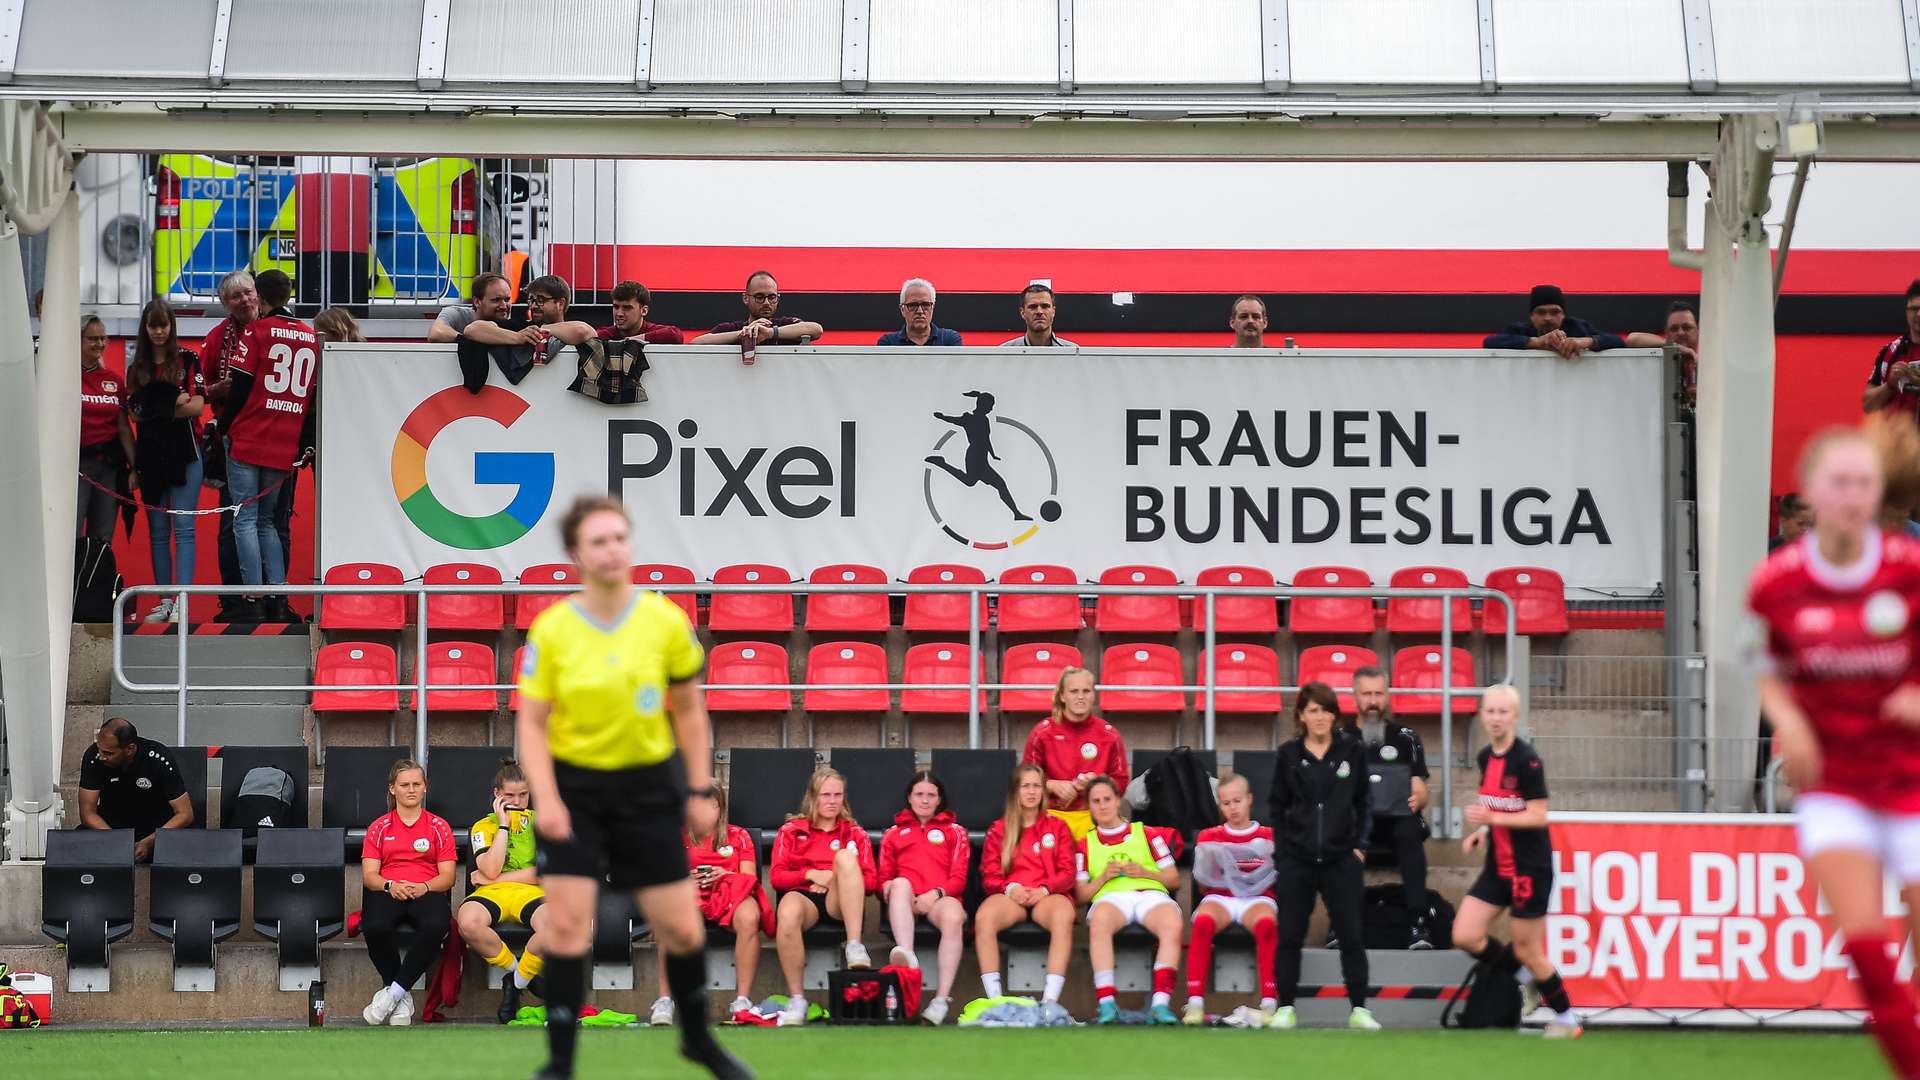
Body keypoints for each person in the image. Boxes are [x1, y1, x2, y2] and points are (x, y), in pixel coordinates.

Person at [515, 495, 750, 1079]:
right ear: (576, 554)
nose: (613, 549)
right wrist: (547, 799)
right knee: (566, 924)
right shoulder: (554, 629)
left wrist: (699, 789)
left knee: (681, 925)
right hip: (576, 790)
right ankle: (561, 1061)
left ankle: (698, 1040)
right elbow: (532, 724)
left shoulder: (665, 620)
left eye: (620, 537)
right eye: (599, 541)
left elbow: (691, 713)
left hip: (647, 788)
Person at [1749, 420, 1920, 1077]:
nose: (1851, 495)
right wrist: (1787, 716)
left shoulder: (1907, 570)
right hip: (1837, 786)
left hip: (1908, 776)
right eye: (1838, 482)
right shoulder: (1776, 583)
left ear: (1878, 494)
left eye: (1863, 483)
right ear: (1811, 494)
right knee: (1869, 951)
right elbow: (1763, 662)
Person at [1449, 684, 1580, 1038]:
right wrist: (1482, 834)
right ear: (1482, 714)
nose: (1495, 718)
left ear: (1515, 716)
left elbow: (1538, 815)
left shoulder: (1527, 760)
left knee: (1527, 948)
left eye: (1502, 712)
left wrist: (1493, 821)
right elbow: (1497, 806)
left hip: (1528, 868)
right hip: (1497, 866)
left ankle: (1567, 1018)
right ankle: (1526, 980)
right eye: (1490, 711)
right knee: (1465, 934)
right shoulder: (1484, 757)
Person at [1268, 682, 1380, 1031]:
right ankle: (1285, 1007)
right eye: (1313, 710)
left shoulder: (1353, 751)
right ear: (1301, 715)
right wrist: (1284, 851)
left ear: (1335, 714)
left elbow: (1365, 803)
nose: (1320, 717)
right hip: (1297, 860)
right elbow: (1276, 806)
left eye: (1326, 710)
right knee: (1289, 935)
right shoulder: (1288, 754)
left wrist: (1359, 844)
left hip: (1341, 859)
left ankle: (1360, 1009)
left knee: (1351, 935)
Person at [221, 270, 316, 624]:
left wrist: (225, 426)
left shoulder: (256, 331)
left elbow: (241, 386)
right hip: (285, 440)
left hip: (250, 437)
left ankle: (253, 599)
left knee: (243, 519)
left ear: (259, 297)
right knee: (269, 524)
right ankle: (278, 596)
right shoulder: (309, 337)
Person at [649, 784, 769, 1026]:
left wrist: (723, 873)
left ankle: (742, 999)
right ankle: (664, 999)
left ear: (720, 807)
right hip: (689, 896)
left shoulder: (739, 836)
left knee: (749, 917)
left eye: (712, 804)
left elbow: (749, 878)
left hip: (729, 893)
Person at [769, 767, 877, 1026]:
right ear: (813, 797)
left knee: (844, 858)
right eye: (826, 795)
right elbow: (777, 877)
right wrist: (811, 875)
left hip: (840, 902)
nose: (832, 801)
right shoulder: (791, 831)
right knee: (787, 910)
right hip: (806, 898)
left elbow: (871, 882)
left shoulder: (855, 833)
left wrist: (834, 878)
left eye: (838, 795)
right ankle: (797, 998)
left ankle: (854, 945)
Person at [1075, 775, 1183, 1025]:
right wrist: (1102, 877)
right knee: (1100, 921)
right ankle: (1107, 1003)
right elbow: (1080, 896)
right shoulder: (1085, 844)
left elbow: (1173, 878)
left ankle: (1159, 1005)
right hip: (1111, 899)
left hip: (1150, 895)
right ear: (1088, 806)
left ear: (1118, 801)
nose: (1102, 806)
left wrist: (1144, 872)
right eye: (1095, 801)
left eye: (1107, 799)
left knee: (1171, 923)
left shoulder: (1147, 833)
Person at [126, 299, 207, 625]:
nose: (159, 331)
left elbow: (198, 406)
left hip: (186, 452)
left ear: (172, 326)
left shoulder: (188, 359)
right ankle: (164, 601)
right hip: (150, 455)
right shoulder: (136, 368)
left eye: (164, 325)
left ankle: (182, 603)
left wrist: (155, 405)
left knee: (184, 527)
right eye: (152, 325)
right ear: (145, 329)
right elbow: (134, 412)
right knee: (158, 531)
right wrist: (172, 402)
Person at [359, 759, 457, 1027]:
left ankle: (393, 993)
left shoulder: (439, 827)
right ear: (392, 789)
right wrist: (391, 886)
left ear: (425, 788)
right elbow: (369, 875)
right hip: (389, 890)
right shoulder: (379, 827)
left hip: (427, 890)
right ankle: (401, 997)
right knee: (374, 925)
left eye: (417, 784)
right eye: (404, 785)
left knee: (437, 924)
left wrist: (425, 886)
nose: (411, 790)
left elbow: (448, 877)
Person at [974, 763, 1077, 1009]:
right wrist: (1011, 888)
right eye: (1025, 786)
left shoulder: (1058, 826)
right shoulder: (999, 829)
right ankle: (995, 1001)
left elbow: (1068, 872)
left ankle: (1050, 1001)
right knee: (984, 918)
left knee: (1063, 915)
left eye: (1036, 786)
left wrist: (1044, 888)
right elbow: (990, 875)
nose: (1031, 792)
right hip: (1012, 896)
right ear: (1015, 791)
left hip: (1047, 896)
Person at [457, 758, 551, 1025]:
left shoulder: (541, 823)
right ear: (497, 795)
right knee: (468, 922)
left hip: (531, 892)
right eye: (510, 795)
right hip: (493, 894)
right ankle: (520, 974)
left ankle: (516, 983)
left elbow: (541, 873)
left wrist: (490, 878)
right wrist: (503, 825)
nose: (518, 801)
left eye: (523, 795)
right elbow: (489, 866)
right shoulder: (482, 827)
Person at [1348, 666, 1434, 949]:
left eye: (1379, 694)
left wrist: (1420, 796)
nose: (1373, 701)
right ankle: (1342, 924)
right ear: (1355, 697)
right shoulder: (1341, 737)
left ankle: (1417, 924)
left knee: (1409, 830)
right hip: (1358, 822)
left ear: (1387, 697)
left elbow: (1420, 786)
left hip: (1396, 819)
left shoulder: (1406, 737)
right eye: (1367, 694)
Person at [1182, 771, 1278, 1025]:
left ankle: (1269, 1003)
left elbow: (1277, 876)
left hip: (1257, 899)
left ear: (1249, 799)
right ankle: (1194, 1004)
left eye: (1237, 801)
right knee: (1202, 922)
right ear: (1220, 805)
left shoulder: (1269, 836)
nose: (1233, 808)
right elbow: (1204, 884)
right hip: (1221, 898)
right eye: (1226, 803)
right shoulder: (1209, 836)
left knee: (1267, 925)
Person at [878, 770, 969, 1025]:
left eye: (931, 795)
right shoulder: (893, 833)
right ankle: (908, 956)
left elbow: (959, 878)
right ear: (909, 797)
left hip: (940, 898)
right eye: (919, 794)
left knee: (953, 917)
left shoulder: (955, 832)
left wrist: (935, 894)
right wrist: (885, 886)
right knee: (899, 883)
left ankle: (940, 1000)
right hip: (905, 899)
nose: (925, 800)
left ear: (940, 799)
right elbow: (882, 877)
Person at [201, 270, 258, 621]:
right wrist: (217, 391)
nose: (246, 300)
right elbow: (199, 390)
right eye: (237, 296)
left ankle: (269, 599)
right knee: (231, 523)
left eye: (249, 292)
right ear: (225, 304)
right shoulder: (215, 338)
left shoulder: (272, 330)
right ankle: (234, 600)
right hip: (231, 440)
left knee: (271, 525)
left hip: (270, 439)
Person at [1021, 667, 1128, 841]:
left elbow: (1121, 782)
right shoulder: (1042, 733)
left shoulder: (1109, 735)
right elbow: (1024, 780)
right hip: (1052, 814)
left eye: (1086, 691)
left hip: (1094, 816)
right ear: (1062, 696)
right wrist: (1052, 785)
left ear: (1093, 695)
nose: (1080, 697)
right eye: (1074, 691)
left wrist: (1097, 785)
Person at [76, 717, 192, 862]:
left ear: (130, 749)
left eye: (109, 753)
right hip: (111, 828)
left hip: (156, 829)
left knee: (187, 841)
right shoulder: (94, 757)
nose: (102, 757)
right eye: (99, 750)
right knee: (79, 840)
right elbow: (88, 813)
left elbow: (185, 814)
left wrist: (148, 842)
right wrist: (118, 841)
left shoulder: (158, 758)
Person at [76, 313, 134, 555]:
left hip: (107, 468)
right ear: (78, 340)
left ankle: (95, 591)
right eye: (93, 339)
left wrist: (135, 467)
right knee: (71, 534)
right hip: (74, 468)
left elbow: (123, 427)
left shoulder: (113, 380)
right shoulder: (63, 375)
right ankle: (67, 591)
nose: (99, 344)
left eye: (103, 338)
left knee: (102, 537)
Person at [1482, 284, 1624, 359]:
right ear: (1531, 316)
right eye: (1541, 312)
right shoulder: (1521, 330)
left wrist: (1585, 342)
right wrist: (1537, 342)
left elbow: (1618, 341)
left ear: (1563, 315)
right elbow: (1490, 342)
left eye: (1555, 312)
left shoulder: (1577, 327)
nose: (1548, 318)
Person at [691, 271, 824, 348]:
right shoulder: (733, 328)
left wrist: (769, 333)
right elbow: (695, 343)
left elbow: (816, 329)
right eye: (759, 297)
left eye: (772, 297)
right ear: (745, 298)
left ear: (778, 298)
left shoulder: (785, 325)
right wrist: (743, 334)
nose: (766, 302)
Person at [1862, 279, 1920, 425]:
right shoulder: (1891, 351)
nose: (1919, 314)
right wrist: (1889, 385)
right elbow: (1868, 405)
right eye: (1914, 308)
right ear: (1906, 312)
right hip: (1897, 441)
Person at [877, 279, 962, 346]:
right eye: (913, 305)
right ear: (902, 309)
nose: (920, 311)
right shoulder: (888, 343)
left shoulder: (949, 341)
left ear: (932, 308)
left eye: (925, 305)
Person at [599, 280, 685, 344]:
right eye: (616, 307)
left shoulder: (653, 330)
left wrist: (630, 341)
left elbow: (675, 335)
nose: (619, 313)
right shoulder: (606, 335)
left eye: (627, 308)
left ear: (644, 311)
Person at [999, 284, 1077, 348]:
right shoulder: (1005, 353)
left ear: (1053, 311)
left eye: (1045, 306)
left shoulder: (1072, 352)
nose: (1039, 312)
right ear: (1022, 312)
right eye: (1033, 307)